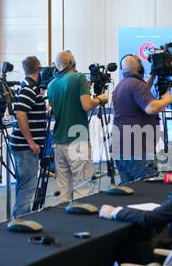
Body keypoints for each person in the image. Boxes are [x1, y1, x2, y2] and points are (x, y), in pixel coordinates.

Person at [47, 50, 108, 203]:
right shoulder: (78, 78)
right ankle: (81, 222)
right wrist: (100, 99)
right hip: (78, 139)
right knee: (82, 185)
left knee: (63, 187)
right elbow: (87, 105)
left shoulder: (51, 84)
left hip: (59, 140)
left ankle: (63, 220)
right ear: (72, 62)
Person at [111, 54, 172, 184]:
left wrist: (153, 76)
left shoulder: (123, 85)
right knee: (146, 189)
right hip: (136, 149)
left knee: (129, 190)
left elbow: (141, 93)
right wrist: (166, 99)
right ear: (139, 69)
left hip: (121, 147)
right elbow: (151, 108)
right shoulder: (137, 85)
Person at [9, 56, 47, 217]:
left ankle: (19, 216)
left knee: (23, 184)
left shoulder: (27, 86)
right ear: (38, 68)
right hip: (26, 147)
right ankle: (22, 218)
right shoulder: (29, 89)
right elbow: (21, 114)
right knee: (28, 185)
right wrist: (31, 142)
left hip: (23, 145)